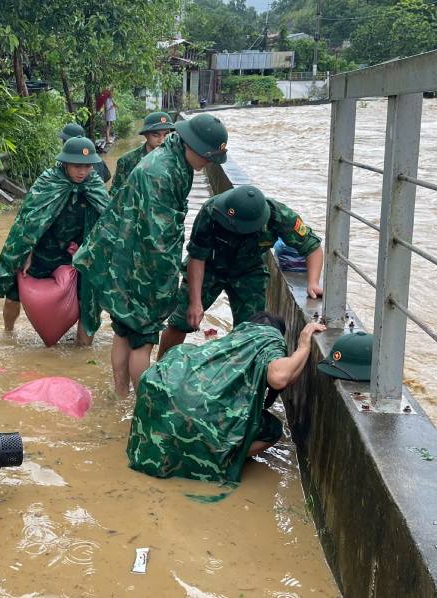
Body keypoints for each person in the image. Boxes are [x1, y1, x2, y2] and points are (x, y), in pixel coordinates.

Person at [73, 113, 229, 397]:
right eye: (207, 158)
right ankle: (141, 407)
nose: (208, 164)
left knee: (123, 332)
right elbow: (159, 242)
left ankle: (119, 397)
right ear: (192, 146)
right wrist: (165, 288)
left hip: (122, 257)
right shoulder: (163, 172)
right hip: (139, 266)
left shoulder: (170, 160)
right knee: (142, 340)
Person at [127, 313, 327, 483]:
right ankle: (222, 458)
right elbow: (279, 377)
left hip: (157, 415)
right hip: (202, 420)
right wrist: (303, 345)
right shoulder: (269, 339)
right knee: (274, 429)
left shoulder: (229, 341)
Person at [157, 184, 324, 359]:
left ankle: (239, 375)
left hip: (249, 272)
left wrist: (312, 282)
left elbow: (312, 247)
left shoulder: (278, 216)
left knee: (251, 332)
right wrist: (195, 302)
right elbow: (197, 257)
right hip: (209, 267)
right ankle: (159, 371)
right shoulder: (212, 210)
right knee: (180, 322)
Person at [0, 136, 110, 346]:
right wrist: (26, 253)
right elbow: (28, 221)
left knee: (88, 299)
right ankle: (7, 333)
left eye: (88, 166)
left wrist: (89, 250)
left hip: (77, 251)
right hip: (43, 249)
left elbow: (108, 221)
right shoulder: (49, 181)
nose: (83, 172)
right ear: (64, 163)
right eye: (77, 166)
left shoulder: (94, 184)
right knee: (13, 293)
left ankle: (83, 351)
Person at [109, 111, 176, 193]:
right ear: (146, 135)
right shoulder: (127, 161)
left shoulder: (175, 160)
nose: (162, 141)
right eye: (155, 135)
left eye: (166, 135)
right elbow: (115, 191)